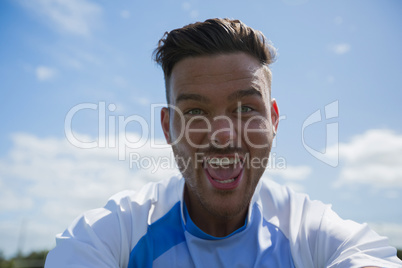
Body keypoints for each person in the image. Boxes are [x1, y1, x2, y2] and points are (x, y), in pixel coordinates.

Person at [45, 18, 402, 268]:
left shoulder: (308, 231)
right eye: (196, 111)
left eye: (247, 108)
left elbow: (369, 257)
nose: (223, 136)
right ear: (168, 127)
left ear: (273, 120)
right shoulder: (117, 232)